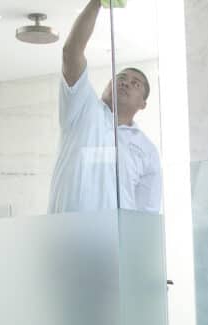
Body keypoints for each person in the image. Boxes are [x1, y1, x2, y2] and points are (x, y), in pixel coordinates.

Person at [47, 0, 162, 214]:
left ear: (142, 104)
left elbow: (147, 214)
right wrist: (97, 3)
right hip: (64, 238)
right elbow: (71, 53)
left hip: (115, 244)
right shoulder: (82, 108)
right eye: (120, 77)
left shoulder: (147, 151)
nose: (126, 82)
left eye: (135, 83)